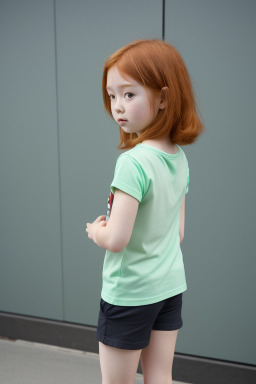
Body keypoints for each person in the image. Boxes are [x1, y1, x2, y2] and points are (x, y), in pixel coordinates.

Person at [86, 38, 205, 384]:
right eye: (111, 96)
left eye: (129, 94)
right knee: (159, 378)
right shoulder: (177, 157)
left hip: (130, 293)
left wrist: (97, 231)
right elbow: (178, 233)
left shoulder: (133, 162)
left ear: (164, 97)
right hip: (168, 287)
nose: (117, 107)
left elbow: (118, 239)